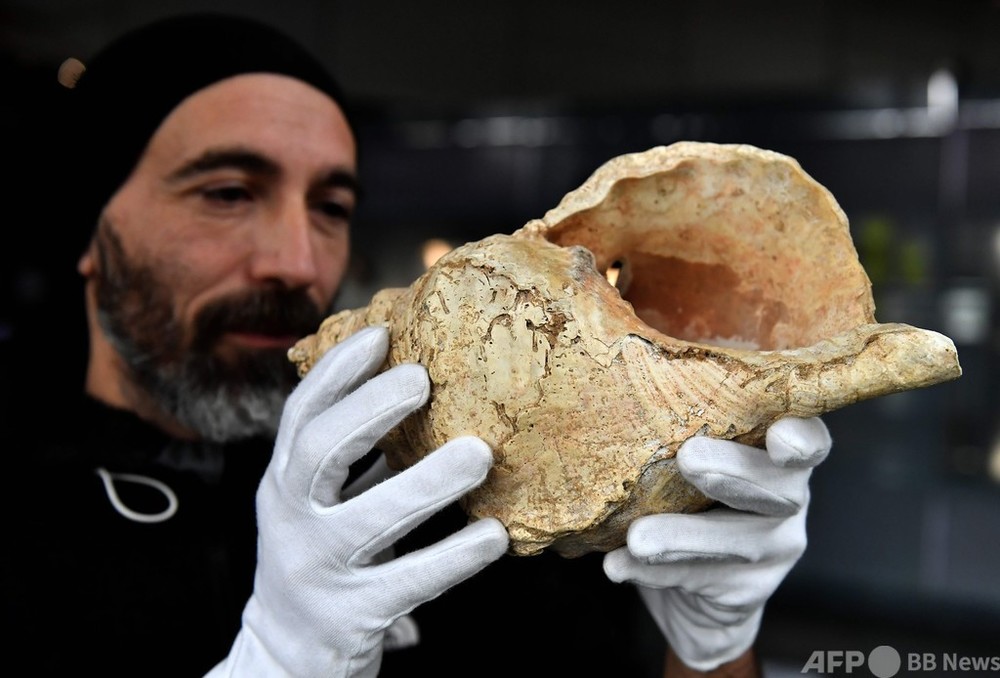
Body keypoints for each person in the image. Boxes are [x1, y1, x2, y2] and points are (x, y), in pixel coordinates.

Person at [1, 12, 832, 677]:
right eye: (227, 193)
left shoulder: (451, 487)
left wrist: (712, 644)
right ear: (91, 228)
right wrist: (280, 663)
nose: (297, 263)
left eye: (331, 207)